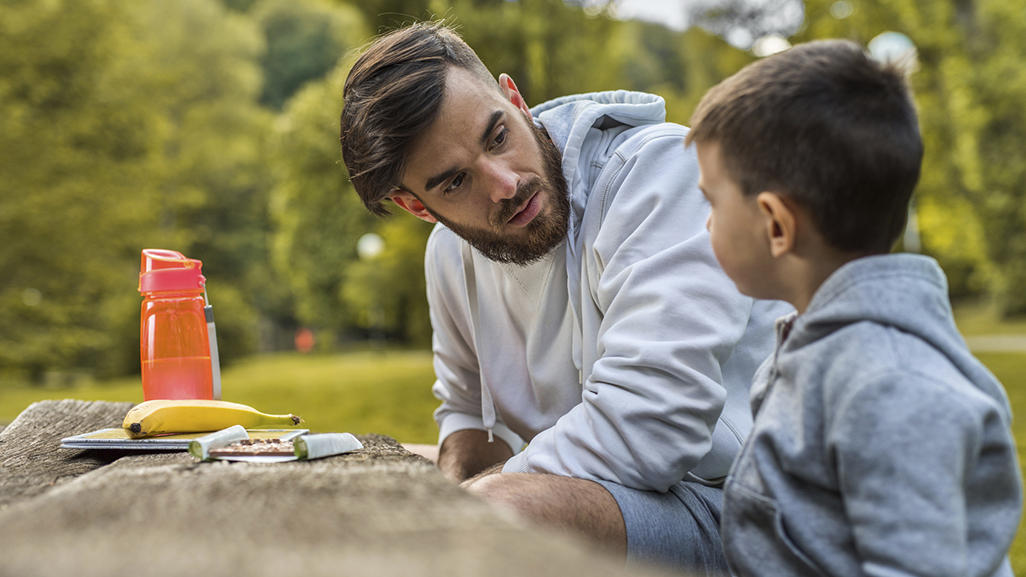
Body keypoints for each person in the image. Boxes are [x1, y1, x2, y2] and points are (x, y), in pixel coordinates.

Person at [339, 22, 788, 572]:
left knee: (495, 513)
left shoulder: (659, 174)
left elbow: (653, 425)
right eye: (456, 182)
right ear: (417, 206)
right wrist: (456, 490)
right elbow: (466, 415)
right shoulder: (447, 257)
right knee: (371, 471)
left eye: (497, 136)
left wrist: (468, 504)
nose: (504, 184)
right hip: (629, 500)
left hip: (757, 516)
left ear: (515, 100)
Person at [686, 39, 1023, 577]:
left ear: (776, 225)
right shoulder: (820, 345)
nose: (706, 224)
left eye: (712, 202)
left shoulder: (889, 384)